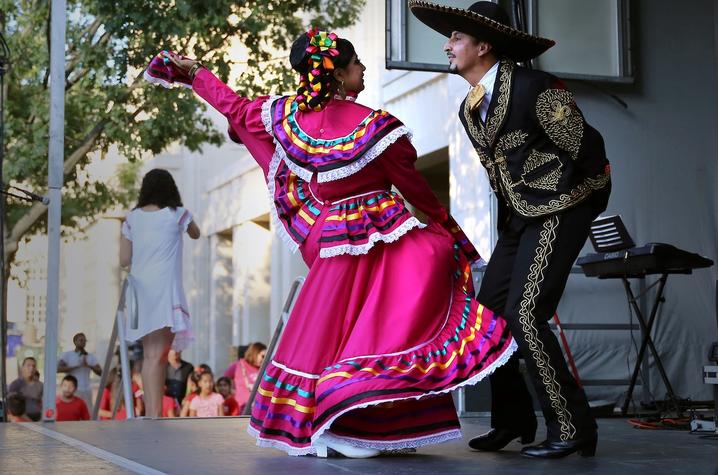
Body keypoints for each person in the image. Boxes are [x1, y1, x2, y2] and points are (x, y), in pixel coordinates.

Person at [152, 27, 516, 458]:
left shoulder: (287, 115)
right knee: (405, 297)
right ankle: (353, 417)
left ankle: (357, 424)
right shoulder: (375, 126)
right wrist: (448, 230)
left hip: (328, 234)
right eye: (357, 63)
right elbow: (415, 189)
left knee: (332, 331)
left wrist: (195, 74)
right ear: (340, 74)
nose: (363, 68)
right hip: (379, 232)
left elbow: (234, 107)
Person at [410, 1, 612, 459]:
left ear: (484, 45)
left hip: (563, 207)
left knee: (526, 315)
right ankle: (513, 421)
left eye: (457, 38)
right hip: (519, 219)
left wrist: (585, 199)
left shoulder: (536, 87)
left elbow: (589, 148)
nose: (448, 46)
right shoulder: (468, 108)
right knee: (490, 321)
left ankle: (572, 425)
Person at [120, 168, 201, 417]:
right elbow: (196, 233)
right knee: (158, 355)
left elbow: (124, 259)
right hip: (165, 291)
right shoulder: (177, 214)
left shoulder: (132, 218)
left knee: (150, 355)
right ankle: (155, 414)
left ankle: (153, 413)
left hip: (140, 291)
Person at [58, 332, 102, 409]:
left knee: (88, 412)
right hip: (73, 390)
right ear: (75, 341)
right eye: (81, 340)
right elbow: (58, 369)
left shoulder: (90, 356)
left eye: (85, 340)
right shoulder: (67, 355)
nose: (83, 342)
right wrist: (77, 366)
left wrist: (89, 366)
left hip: (86, 390)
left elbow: (101, 372)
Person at [230, 342, 266, 413]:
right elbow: (225, 379)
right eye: (262, 356)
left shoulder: (264, 368)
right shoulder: (239, 365)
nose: (264, 359)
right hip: (241, 408)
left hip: (258, 408)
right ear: (255, 353)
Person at [9, 357, 43, 421]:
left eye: (34, 366)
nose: (31, 368)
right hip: (21, 421)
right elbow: (14, 409)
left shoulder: (40, 385)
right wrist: (30, 422)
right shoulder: (15, 385)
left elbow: (43, 403)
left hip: (38, 419)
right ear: (23, 367)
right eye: (28, 365)